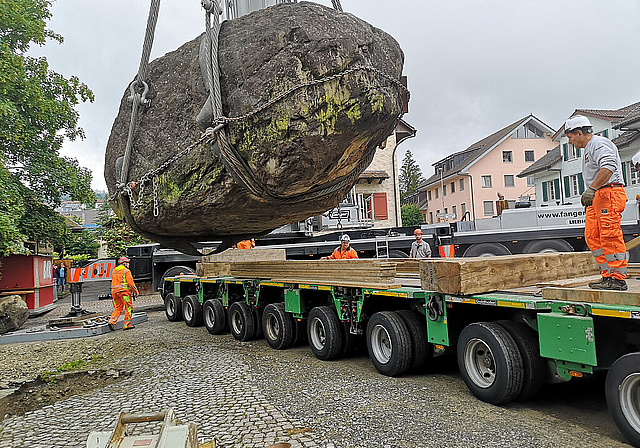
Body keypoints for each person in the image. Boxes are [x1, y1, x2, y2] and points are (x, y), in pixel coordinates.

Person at [566, 115, 627, 290]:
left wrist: (592, 189)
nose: (570, 142)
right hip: (599, 195)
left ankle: (618, 278)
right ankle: (608, 275)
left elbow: (608, 165)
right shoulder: (590, 148)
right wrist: (593, 192)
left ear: (579, 133)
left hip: (608, 193)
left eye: (570, 137)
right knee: (593, 236)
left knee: (609, 235)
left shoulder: (598, 143)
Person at [109, 256, 139, 330]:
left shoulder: (114, 271)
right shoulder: (126, 271)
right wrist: (135, 291)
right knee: (128, 307)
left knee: (118, 307)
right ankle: (127, 325)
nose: (128, 264)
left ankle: (112, 322)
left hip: (114, 293)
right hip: (124, 292)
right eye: (128, 263)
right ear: (124, 263)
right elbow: (130, 283)